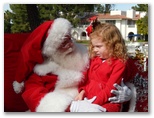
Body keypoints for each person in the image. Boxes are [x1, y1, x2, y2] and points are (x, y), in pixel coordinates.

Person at [13, 18, 131, 112]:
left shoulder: (86, 55)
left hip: (94, 100)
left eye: (70, 38)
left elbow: (120, 71)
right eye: (64, 42)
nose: (70, 44)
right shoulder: (41, 70)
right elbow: (33, 96)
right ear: (52, 48)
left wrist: (128, 93)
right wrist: (72, 106)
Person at [70, 23, 130, 112]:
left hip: (108, 103)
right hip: (89, 99)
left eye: (98, 46)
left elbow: (110, 89)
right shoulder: (95, 59)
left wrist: (92, 103)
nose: (94, 50)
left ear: (112, 44)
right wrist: (83, 92)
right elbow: (89, 81)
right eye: (93, 46)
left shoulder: (119, 63)